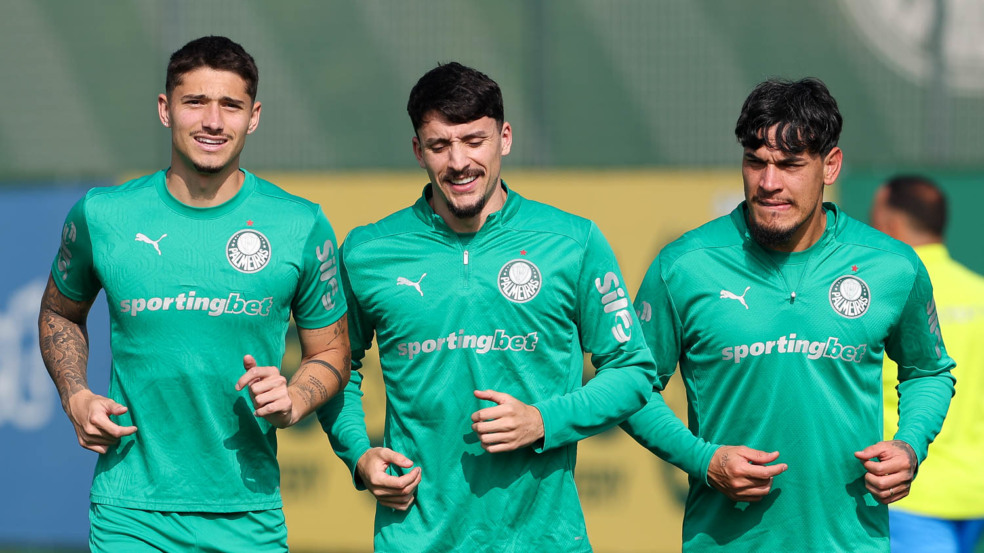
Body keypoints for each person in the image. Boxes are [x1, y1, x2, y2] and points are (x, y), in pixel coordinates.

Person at [317, 62, 657, 552]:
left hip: (544, 539)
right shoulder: (368, 251)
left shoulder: (572, 242)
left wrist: (544, 421)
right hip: (415, 538)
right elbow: (334, 366)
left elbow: (632, 371)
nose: (458, 162)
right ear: (418, 151)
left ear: (505, 138)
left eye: (474, 141)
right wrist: (359, 454)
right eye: (439, 145)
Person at [38, 36, 350, 552]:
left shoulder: (301, 224)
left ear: (253, 116)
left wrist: (293, 400)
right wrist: (75, 395)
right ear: (166, 110)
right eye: (195, 102)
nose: (212, 121)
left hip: (249, 512)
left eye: (230, 105)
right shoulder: (102, 215)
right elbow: (60, 312)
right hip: (130, 513)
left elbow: (333, 350)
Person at [620, 78, 956, 552]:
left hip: (852, 543)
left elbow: (929, 371)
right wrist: (704, 460)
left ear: (830, 166)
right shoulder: (684, 265)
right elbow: (628, 385)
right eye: (755, 162)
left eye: (791, 165)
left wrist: (910, 445)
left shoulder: (893, 266)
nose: (769, 182)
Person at [870, 175, 984, 553]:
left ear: (891, 225)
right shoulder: (979, 295)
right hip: (974, 494)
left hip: (907, 492)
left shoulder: (881, 296)